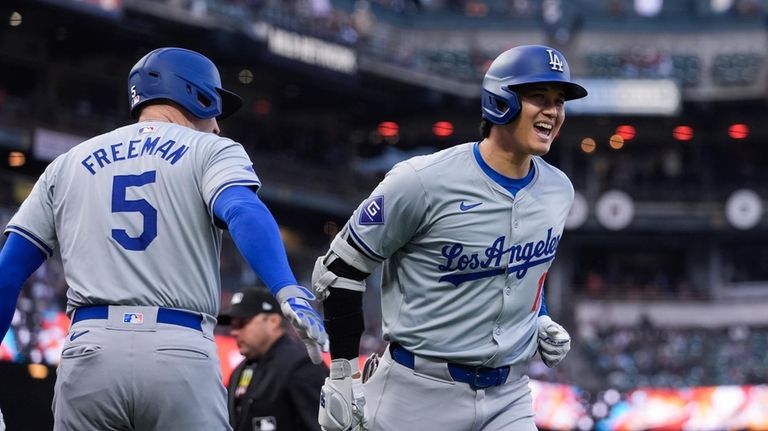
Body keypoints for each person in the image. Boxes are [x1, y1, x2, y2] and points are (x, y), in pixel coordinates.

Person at [0, 47, 326, 431]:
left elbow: (8, 273)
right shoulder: (211, 149)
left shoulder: (67, 163)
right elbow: (242, 210)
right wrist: (285, 286)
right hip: (178, 348)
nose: (218, 124)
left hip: (89, 351)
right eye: (215, 107)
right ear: (197, 96)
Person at [311, 44, 586, 431]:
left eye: (559, 101)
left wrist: (538, 318)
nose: (553, 111)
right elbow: (340, 269)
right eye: (539, 97)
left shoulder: (559, 190)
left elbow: (522, 274)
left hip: (509, 395)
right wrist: (341, 372)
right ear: (500, 101)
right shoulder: (422, 181)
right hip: (417, 392)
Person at [220, 287, 328, 431]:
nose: (234, 332)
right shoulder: (240, 370)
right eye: (232, 325)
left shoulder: (301, 366)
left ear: (273, 321)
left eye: (242, 323)